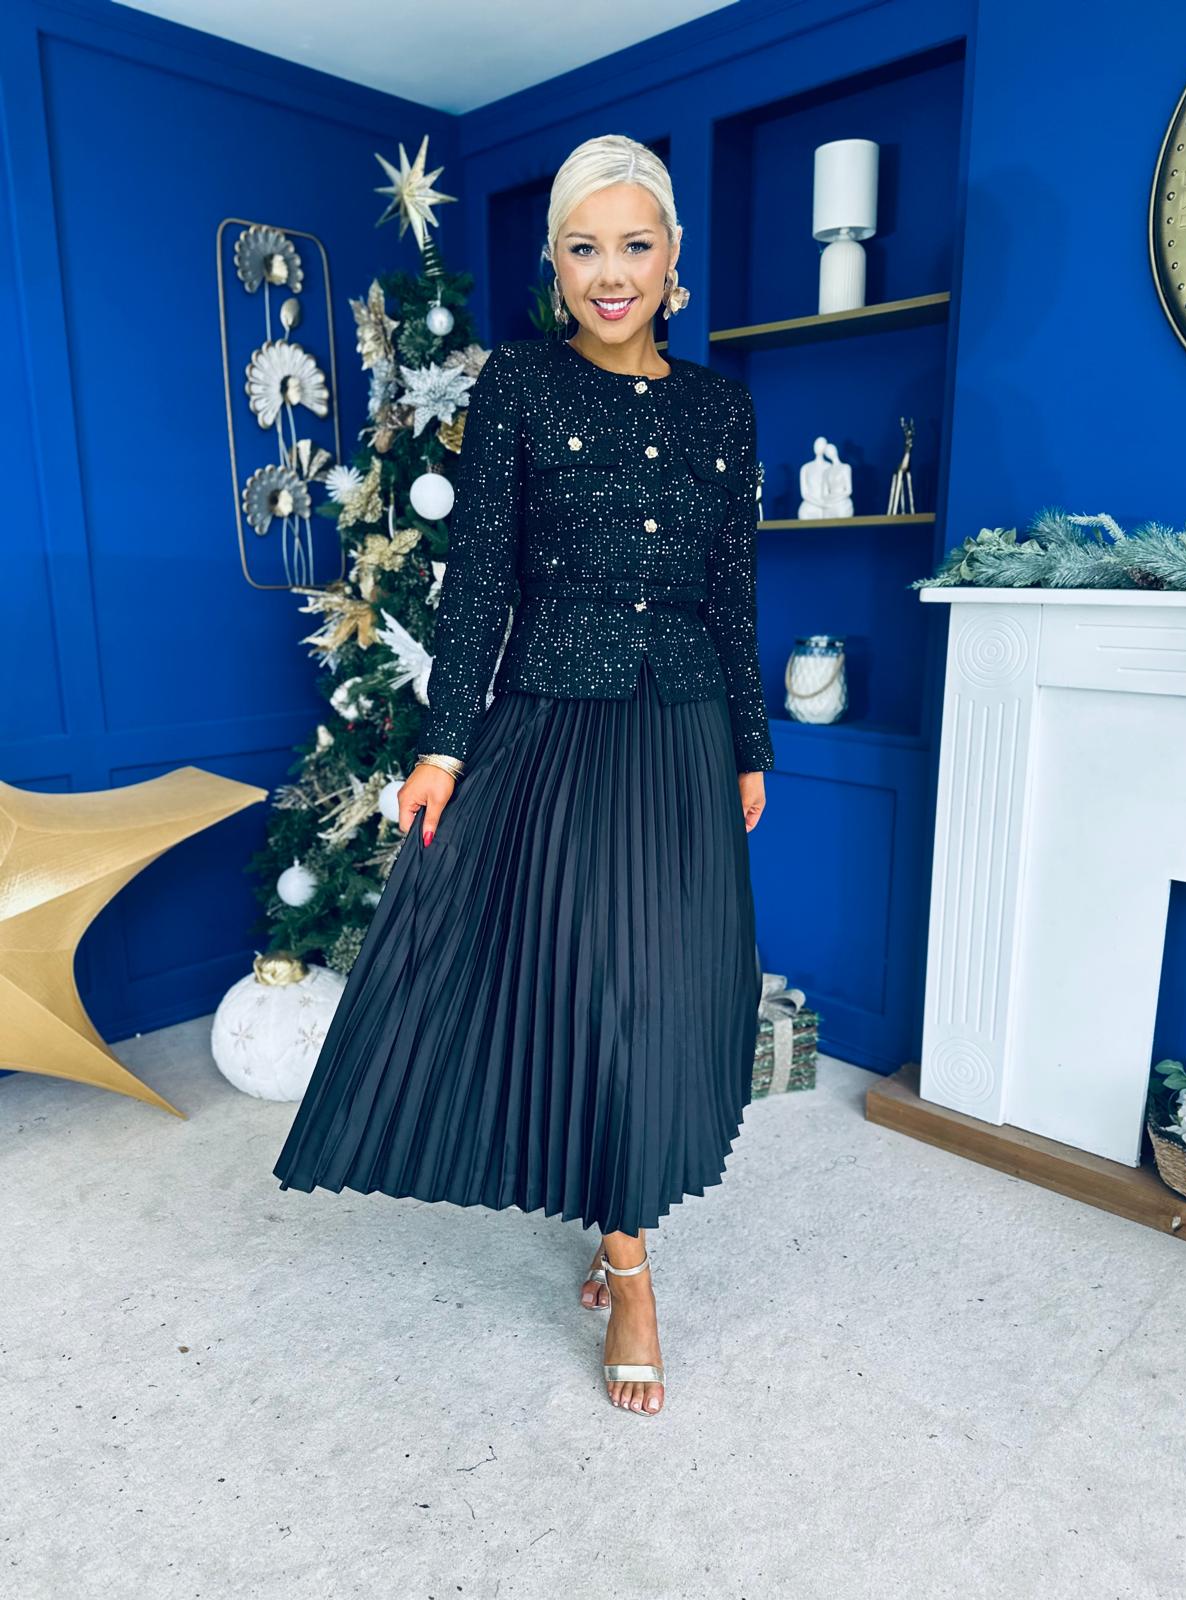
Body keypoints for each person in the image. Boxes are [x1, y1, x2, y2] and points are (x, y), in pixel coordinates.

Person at [272, 133, 774, 1419]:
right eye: (584, 248)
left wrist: (750, 741)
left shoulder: (722, 408)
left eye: (636, 245)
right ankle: (632, 1266)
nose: (612, 273)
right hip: (555, 726)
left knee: (674, 994)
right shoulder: (520, 388)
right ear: (555, 264)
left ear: (674, 258)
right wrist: (444, 744)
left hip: (685, 731)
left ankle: (622, 1206)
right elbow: (481, 578)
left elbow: (732, 592)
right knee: (599, 991)